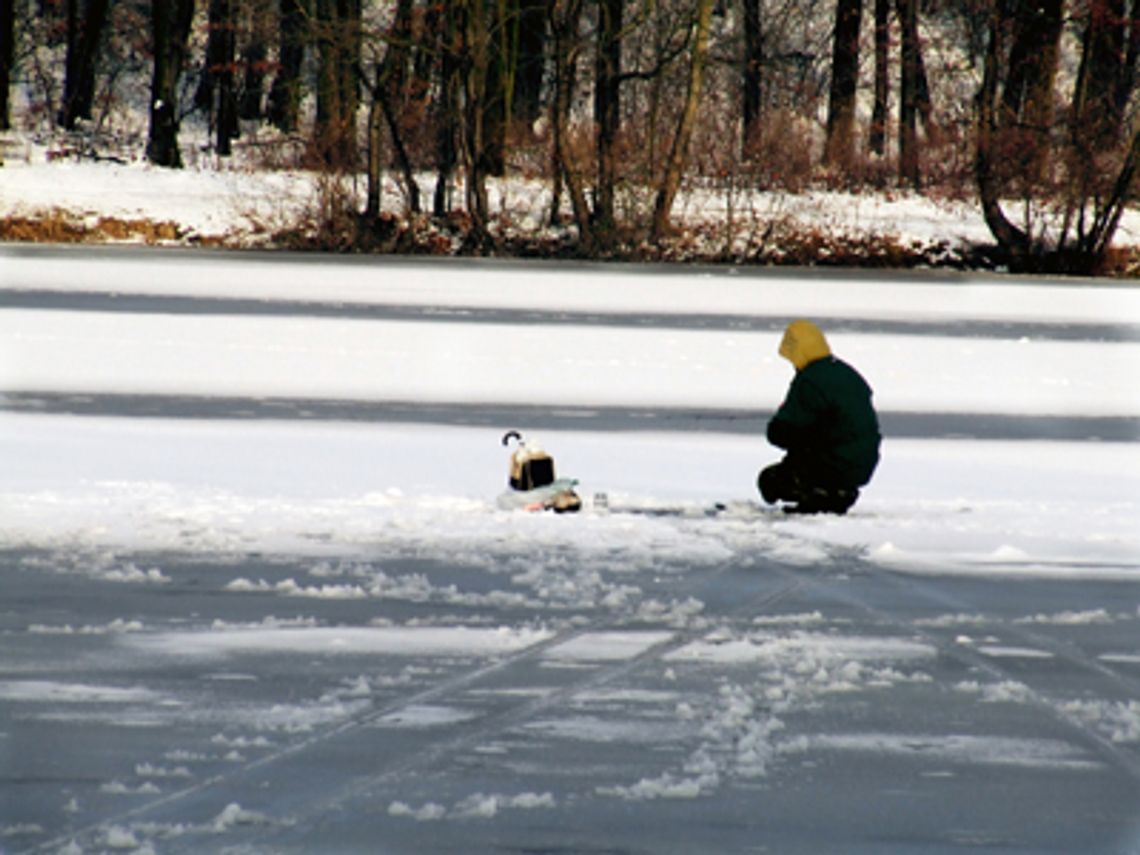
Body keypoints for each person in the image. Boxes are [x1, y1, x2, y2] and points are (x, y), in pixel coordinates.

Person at [758, 320, 880, 514]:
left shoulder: (810, 380)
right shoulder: (847, 373)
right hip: (862, 465)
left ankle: (819, 492)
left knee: (770, 481)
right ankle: (837, 492)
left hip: (832, 465)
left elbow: (780, 433)